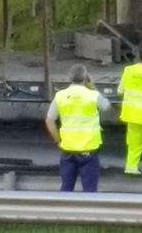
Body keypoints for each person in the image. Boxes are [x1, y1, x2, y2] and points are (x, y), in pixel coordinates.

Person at [45, 64, 111, 192]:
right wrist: (93, 86)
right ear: (86, 77)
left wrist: (57, 140)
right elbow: (106, 106)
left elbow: (49, 120)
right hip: (88, 150)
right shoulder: (93, 95)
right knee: (90, 191)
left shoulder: (60, 96)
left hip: (68, 150)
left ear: (69, 78)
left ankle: (64, 211)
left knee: (66, 189)